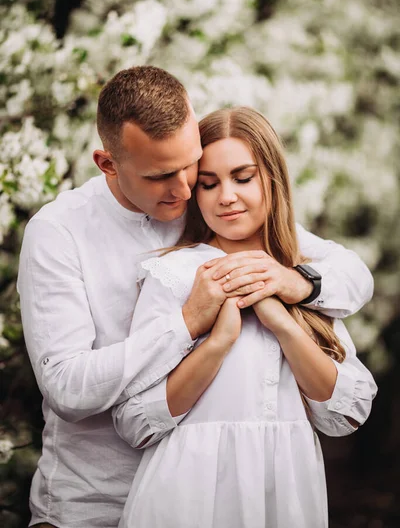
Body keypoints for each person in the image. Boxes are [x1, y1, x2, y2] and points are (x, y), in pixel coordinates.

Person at [17, 67, 374, 528]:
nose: (185, 189)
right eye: (162, 175)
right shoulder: (58, 232)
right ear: (108, 164)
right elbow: (67, 387)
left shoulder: (212, 208)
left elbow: (349, 273)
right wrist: (187, 324)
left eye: (191, 166)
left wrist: (298, 285)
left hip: (218, 500)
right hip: (93, 503)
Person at [114, 106, 377, 528]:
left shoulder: (301, 275)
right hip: (185, 496)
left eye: (243, 177)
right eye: (208, 183)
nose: (226, 196)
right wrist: (216, 344)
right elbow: (134, 423)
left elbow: (345, 413)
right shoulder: (175, 273)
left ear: (272, 177)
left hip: (284, 495)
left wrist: (284, 324)